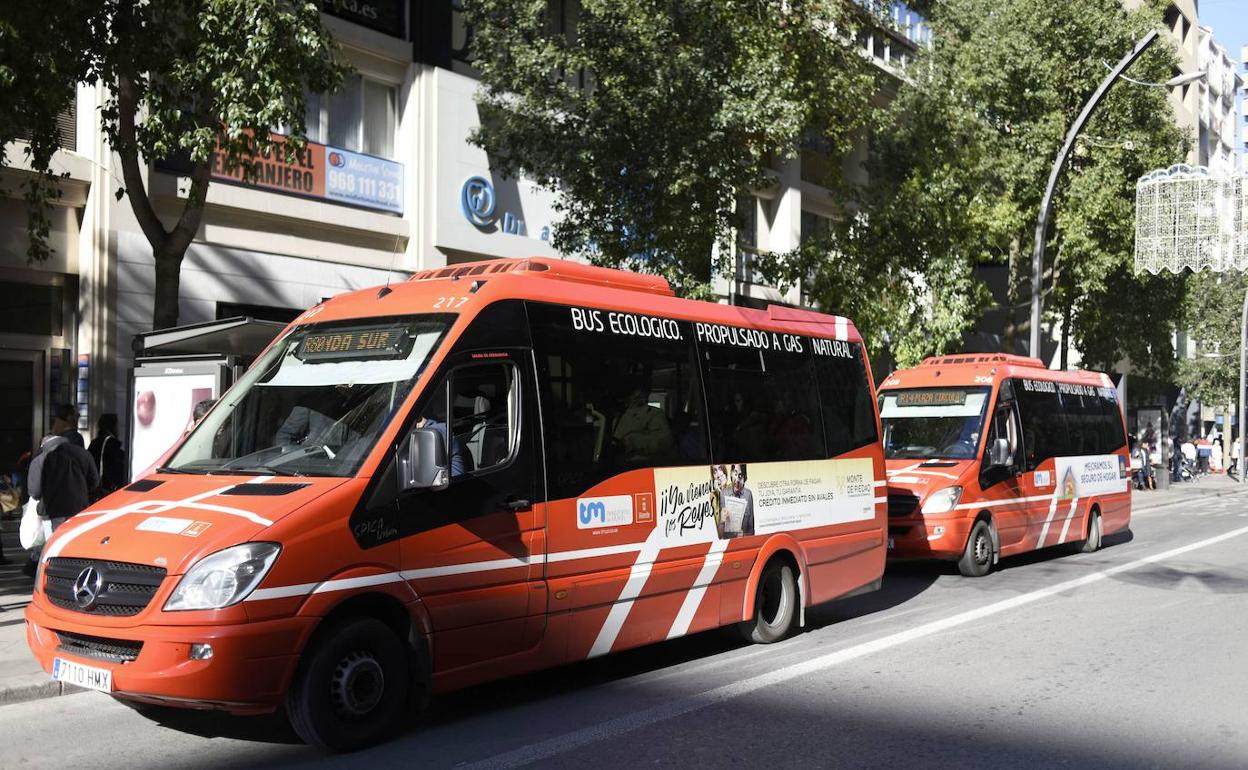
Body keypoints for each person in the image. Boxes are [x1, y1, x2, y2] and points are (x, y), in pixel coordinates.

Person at [21, 432, 99, 577]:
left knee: (54, 545)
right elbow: (94, 482)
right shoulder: (83, 454)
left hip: (51, 511)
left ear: (43, 444)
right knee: (76, 542)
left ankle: (54, 575)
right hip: (79, 508)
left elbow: (35, 491)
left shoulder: (40, 458)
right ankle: (75, 573)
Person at [87, 413, 128, 500]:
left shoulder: (95, 443)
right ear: (113, 426)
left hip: (93, 490)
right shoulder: (110, 444)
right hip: (106, 490)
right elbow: (115, 470)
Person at [722, 463, 755, 537]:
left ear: (744, 478)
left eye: (740, 476)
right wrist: (722, 521)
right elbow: (720, 534)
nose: (737, 480)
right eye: (735, 474)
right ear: (731, 474)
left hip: (744, 541)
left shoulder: (748, 494)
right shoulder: (724, 494)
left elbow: (751, 528)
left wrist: (744, 535)